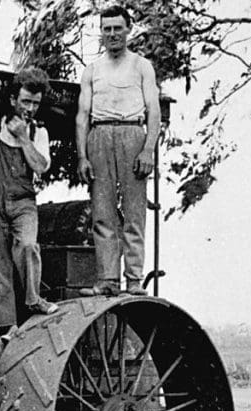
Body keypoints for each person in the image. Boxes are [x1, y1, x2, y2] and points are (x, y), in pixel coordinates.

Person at [0, 66, 60, 335]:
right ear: (12, 99)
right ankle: (7, 326)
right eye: (26, 101)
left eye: (35, 103)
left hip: (23, 201)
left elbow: (40, 167)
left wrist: (23, 137)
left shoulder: (38, 133)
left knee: (28, 245)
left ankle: (33, 298)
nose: (30, 108)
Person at [76, 4, 161, 296]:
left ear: (128, 30)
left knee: (134, 212)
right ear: (101, 32)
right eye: (107, 29)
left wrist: (148, 150)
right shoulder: (92, 70)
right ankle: (107, 280)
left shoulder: (141, 65)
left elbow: (154, 112)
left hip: (132, 134)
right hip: (99, 135)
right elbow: (82, 116)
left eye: (117, 28)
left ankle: (134, 279)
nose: (112, 34)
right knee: (102, 212)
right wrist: (82, 156)